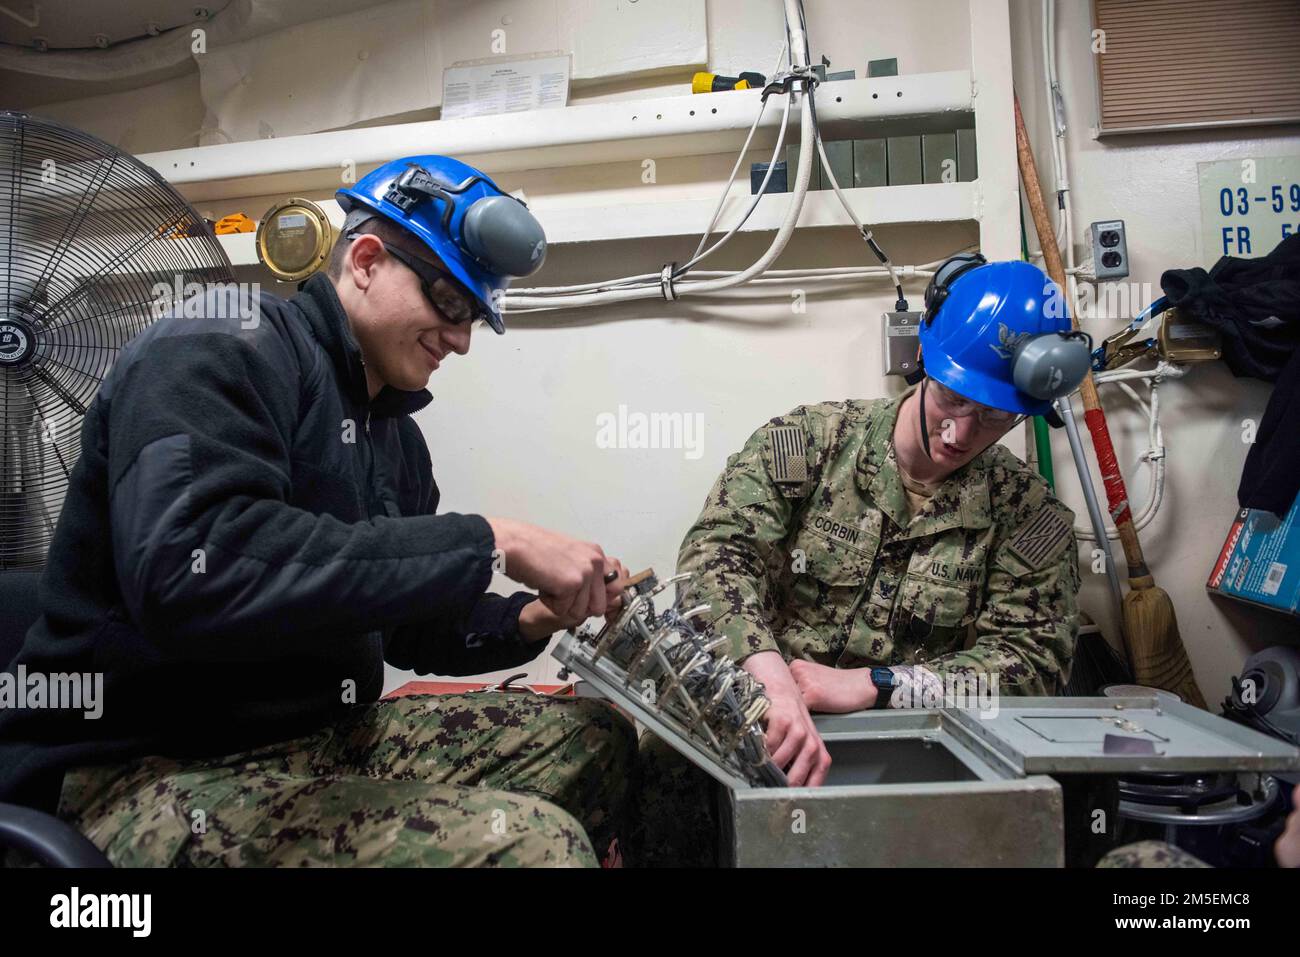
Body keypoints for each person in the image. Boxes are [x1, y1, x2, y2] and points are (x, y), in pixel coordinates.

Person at [0, 155, 635, 867]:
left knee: (595, 739)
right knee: (540, 850)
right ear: (365, 259)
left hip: (314, 744)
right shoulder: (218, 342)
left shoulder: (396, 439)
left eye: (474, 319)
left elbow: (405, 624)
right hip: (138, 771)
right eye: (451, 304)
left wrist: (532, 617)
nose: (460, 338)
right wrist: (493, 539)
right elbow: (192, 566)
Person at [627, 256, 1092, 865]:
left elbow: (1030, 668)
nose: (958, 435)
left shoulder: (1029, 517)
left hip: (911, 754)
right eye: (953, 399)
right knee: (669, 773)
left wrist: (879, 687)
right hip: (760, 721)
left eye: (993, 418)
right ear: (925, 361)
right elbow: (717, 556)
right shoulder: (806, 445)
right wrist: (769, 674)